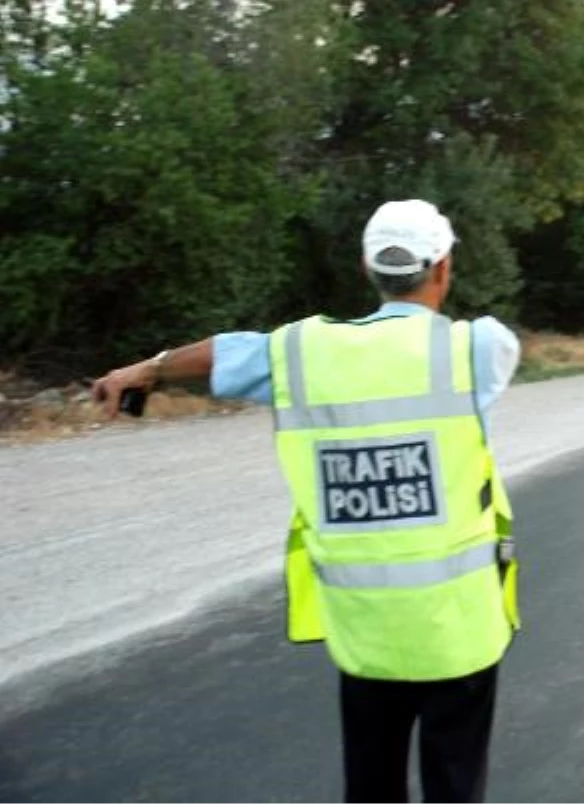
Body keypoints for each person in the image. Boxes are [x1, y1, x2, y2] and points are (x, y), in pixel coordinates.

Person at [92, 199, 522, 804]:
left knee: (371, 785)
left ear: (365, 268)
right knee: (454, 783)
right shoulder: (479, 349)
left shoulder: (299, 354)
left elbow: (227, 351)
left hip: (365, 629)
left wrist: (148, 368)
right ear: (445, 268)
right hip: (460, 628)